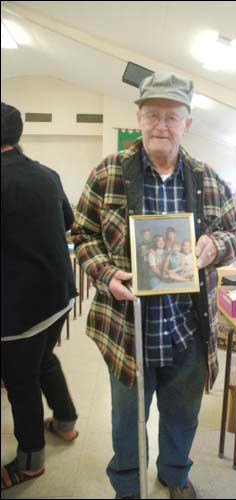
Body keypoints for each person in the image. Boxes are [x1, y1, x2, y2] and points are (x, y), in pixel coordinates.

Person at [71, 72, 236, 499]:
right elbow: (82, 235)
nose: (161, 125)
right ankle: (127, 487)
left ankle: (173, 474)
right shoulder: (108, 172)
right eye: (153, 115)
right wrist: (106, 275)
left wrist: (214, 245)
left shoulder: (207, 178)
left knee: (183, 414)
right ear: (139, 117)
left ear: (188, 122)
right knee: (127, 420)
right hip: (129, 326)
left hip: (188, 326)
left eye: (171, 116)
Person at [1, 102, 79, 491]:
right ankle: (65, 421)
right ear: (18, 136)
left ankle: (30, 461)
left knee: (20, 380)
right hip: (60, 296)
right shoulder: (48, 175)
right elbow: (68, 222)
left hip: (18, 306)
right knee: (43, 357)